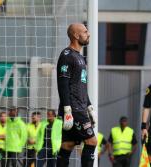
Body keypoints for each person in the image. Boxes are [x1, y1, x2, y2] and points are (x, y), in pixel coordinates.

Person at [56, 23, 97, 167]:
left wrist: (89, 106)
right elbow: (63, 84)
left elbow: (81, 85)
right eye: (85, 32)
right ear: (76, 35)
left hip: (80, 106)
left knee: (67, 145)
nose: (88, 34)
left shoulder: (80, 57)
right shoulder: (66, 55)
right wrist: (67, 109)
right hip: (74, 109)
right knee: (92, 141)